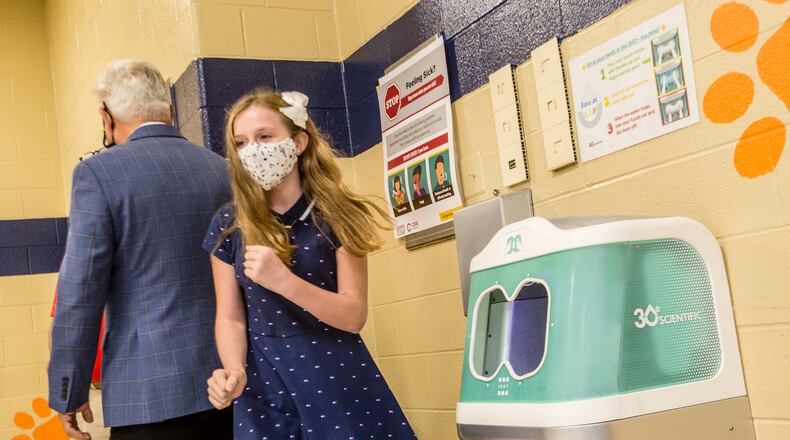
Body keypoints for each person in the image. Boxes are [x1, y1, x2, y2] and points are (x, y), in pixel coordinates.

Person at [202, 89, 416, 439]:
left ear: (299, 142)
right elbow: (230, 317)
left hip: (336, 377)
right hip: (264, 387)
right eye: (240, 143)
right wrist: (234, 370)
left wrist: (284, 281)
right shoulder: (229, 225)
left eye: (265, 137)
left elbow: (353, 314)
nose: (252, 151)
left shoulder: (339, 214)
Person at [48, 59, 233, 440]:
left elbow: (80, 293)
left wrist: (68, 388)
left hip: (146, 395)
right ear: (169, 109)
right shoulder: (223, 170)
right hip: (231, 384)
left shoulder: (98, 174)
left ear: (106, 115)